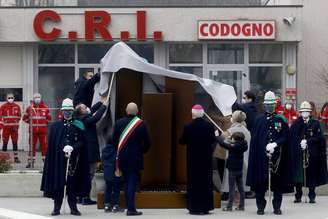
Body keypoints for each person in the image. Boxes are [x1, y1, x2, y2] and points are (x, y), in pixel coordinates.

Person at [40, 98, 90, 216]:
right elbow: (52, 144)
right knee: (59, 185)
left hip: (74, 161)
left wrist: (73, 147)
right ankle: (56, 208)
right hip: (58, 161)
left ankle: (73, 208)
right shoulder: (55, 126)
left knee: (72, 185)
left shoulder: (79, 125)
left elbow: (82, 142)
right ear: (62, 111)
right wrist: (63, 147)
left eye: (69, 110)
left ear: (72, 111)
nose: (67, 112)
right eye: (65, 110)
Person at [246, 91, 292, 215]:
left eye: (272, 104)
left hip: (277, 158)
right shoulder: (259, 120)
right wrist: (264, 149)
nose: (269, 106)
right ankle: (260, 206)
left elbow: (286, 136)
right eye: (267, 104)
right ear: (264, 105)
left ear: (275, 105)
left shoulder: (280, 120)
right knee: (261, 184)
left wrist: (275, 144)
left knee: (277, 184)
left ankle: (277, 206)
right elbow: (255, 139)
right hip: (261, 158)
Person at [112, 102, 151, 216]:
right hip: (135, 158)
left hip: (122, 158)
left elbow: (114, 141)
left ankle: (127, 206)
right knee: (131, 183)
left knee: (125, 183)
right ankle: (131, 209)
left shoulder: (118, 123)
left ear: (126, 110)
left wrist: (119, 151)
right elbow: (148, 143)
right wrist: (141, 151)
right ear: (137, 111)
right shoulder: (141, 124)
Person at [179, 104, 216, 215]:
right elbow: (212, 140)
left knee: (194, 183)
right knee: (206, 182)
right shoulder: (209, 126)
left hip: (193, 160)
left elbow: (182, 141)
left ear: (193, 114)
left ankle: (194, 207)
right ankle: (206, 207)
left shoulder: (188, 127)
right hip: (206, 159)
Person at [290, 101, 328, 203]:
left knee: (312, 175)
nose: (305, 114)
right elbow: (292, 138)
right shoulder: (296, 124)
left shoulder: (315, 124)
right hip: (299, 154)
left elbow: (319, 138)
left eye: (307, 112)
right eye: (303, 112)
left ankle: (312, 195)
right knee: (298, 176)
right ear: (300, 112)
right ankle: (298, 195)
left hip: (312, 154)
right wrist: (299, 143)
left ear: (310, 112)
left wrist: (308, 141)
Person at [74, 96, 108, 205]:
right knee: (89, 175)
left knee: (87, 175)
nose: (87, 108)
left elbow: (92, 111)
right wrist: (104, 106)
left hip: (87, 152)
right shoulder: (84, 120)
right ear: (81, 111)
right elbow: (95, 118)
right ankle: (85, 197)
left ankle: (80, 196)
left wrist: (100, 103)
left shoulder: (81, 117)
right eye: (85, 107)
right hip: (90, 152)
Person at [221, 111, 253, 199]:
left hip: (232, 160)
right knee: (241, 180)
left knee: (231, 181)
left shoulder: (231, 130)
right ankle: (241, 199)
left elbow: (224, 142)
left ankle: (231, 199)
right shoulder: (247, 131)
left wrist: (221, 137)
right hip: (244, 159)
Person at [217, 132, 248, 211]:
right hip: (239, 169)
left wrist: (217, 136)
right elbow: (234, 144)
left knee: (231, 189)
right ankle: (241, 206)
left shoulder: (235, 146)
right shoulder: (243, 144)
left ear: (235, 139)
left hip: (232, 169)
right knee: (241, 189)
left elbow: (223, 144)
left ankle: (229, 207)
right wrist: (230, 140)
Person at [23, 93, 51, 168]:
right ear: (33, 99)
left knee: (44, 146)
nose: (37, 98)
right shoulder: (29, 108)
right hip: (33, 131)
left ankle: (46, 161)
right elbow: (24, 118)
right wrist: (31, 122)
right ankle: (30, 162)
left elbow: (49, 119)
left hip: (43, 131)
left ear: (41, 98)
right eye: (36, 97)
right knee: (32, 146)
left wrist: (43, 123)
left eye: (39, 97)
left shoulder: (45, 108)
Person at [102, 142, 124, 213]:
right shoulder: (117, 150)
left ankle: (107, 205)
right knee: (116, 190)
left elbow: (103, 160)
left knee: (108, 189)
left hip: (107, 173)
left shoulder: (104, 150)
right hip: (116, 172)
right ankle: (115, 205)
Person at [0, 93, 21, 163]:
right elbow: (0, 117)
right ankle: (3, 159)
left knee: (15, 142)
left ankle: (16, 158)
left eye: (11, 97)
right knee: (5, 142)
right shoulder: (3, 107)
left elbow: (19, 116)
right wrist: (1, 126)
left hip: (14, 129)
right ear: (6, 98)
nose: (10, 99)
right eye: (9, 98)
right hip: (6, 128)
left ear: (14, 98)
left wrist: (16, 125)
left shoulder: (17, 106)